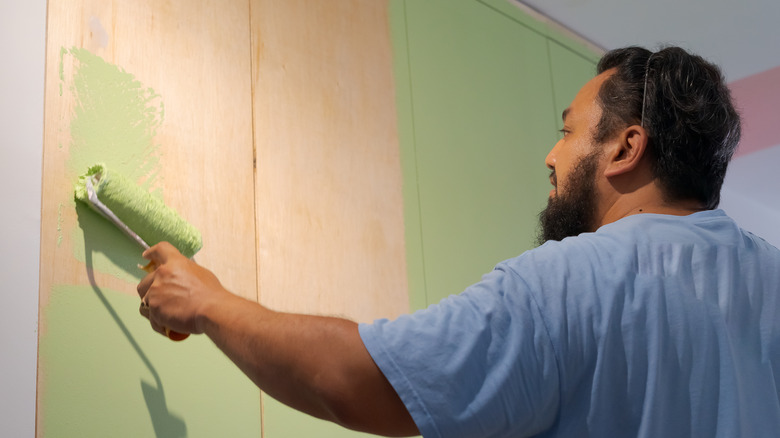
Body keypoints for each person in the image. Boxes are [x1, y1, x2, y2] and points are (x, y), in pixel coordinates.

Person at [137, 46, 780, 437]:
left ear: (624, 148)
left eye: (568, 131)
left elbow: (356, 378)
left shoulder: (570, 281)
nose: (551, 157)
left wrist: (207, 303)